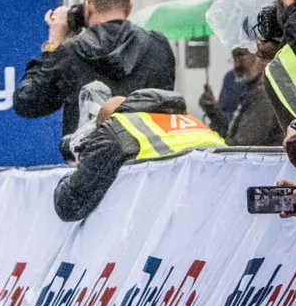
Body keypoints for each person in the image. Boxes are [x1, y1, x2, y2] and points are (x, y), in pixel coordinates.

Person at [15, 0, 177, 152]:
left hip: (91, 170)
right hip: (147, 168)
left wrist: (53, 44)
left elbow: (26, 102)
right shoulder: (158, 47)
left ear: (88, 7)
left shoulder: (71, 52)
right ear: (129, 7)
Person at [51, 87, 222, 222]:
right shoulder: (193, 123)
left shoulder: (118, 130)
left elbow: (69, 205)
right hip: (213, 215)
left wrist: (78, 166)